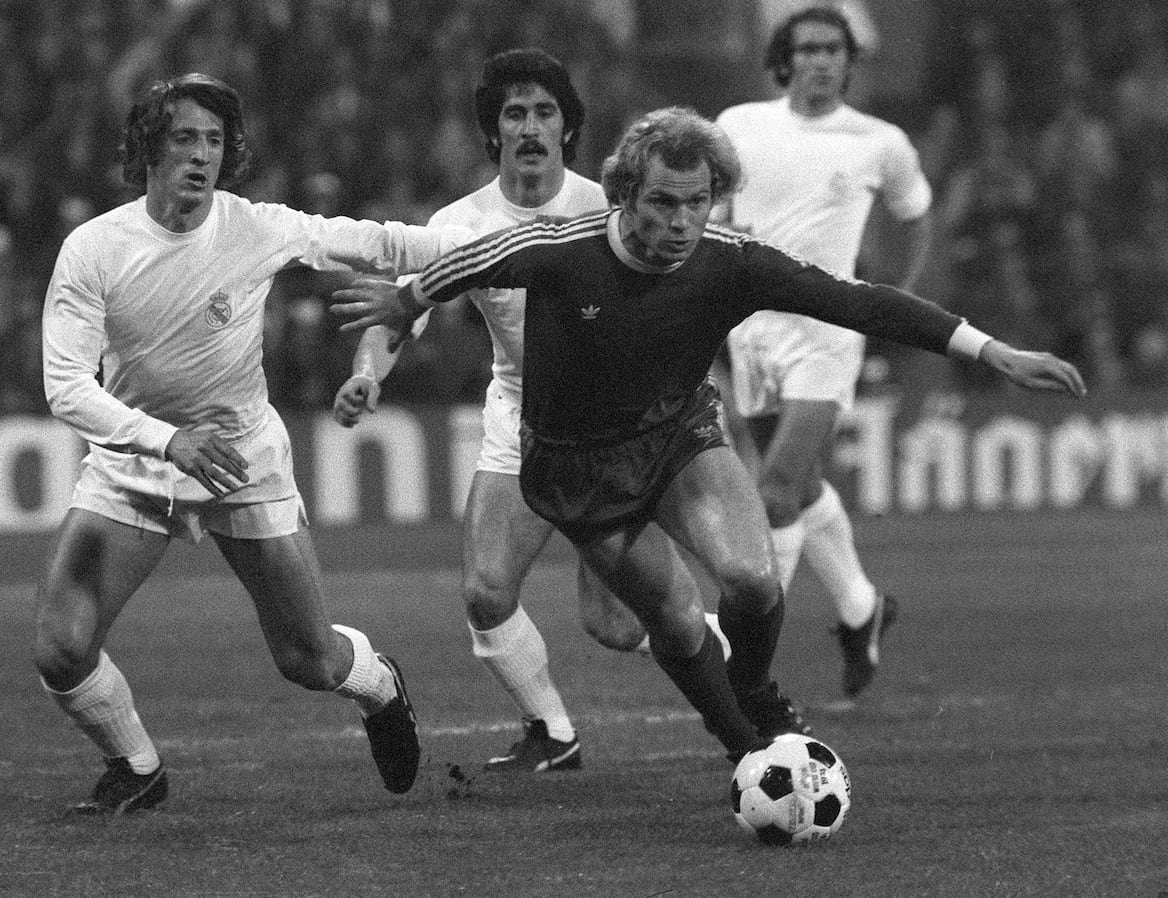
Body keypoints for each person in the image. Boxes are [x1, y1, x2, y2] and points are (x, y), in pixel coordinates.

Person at [329, 106, 1086, 768]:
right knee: (672, 620)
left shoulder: (728, 262)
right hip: (576, 469)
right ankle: (742, 744)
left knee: (754, 580)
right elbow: (476, 257)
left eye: (697, 203)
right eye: (663, 202)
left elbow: (858, 302)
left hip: (681, 437)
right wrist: (407, 300)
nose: (680, 222)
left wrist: (990, 350)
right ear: (625, 195)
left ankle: (752, 689)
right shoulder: (567, 247)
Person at [34, 73, 466, 814]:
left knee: (308, 659)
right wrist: (167, 441)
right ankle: (136, 767)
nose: (202, 154)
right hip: (139, 463)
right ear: (148, 148)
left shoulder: (255, 227)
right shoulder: (95, 248)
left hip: (242, 462)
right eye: (184, 138)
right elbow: (67, 385)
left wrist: (509, 248)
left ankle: (379, 684)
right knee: (61, 648)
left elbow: (385, 243)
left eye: (214, 140)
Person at [334, 48, 720, 774]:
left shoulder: (608, 208)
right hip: (523, 418)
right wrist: (365, 376)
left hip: (620, 426)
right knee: (486, 591)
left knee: (613, 622)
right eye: (515, 113)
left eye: (546, 112)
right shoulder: (460, 222)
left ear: (568, 128)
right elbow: (401, 314)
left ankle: (731, 668)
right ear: (495, 131)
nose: (531, 126)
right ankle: (551, 730)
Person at [711, 5, 934, 701]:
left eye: (834, 49)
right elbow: (712, 215)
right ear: (785, 59)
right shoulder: (739, 125)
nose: (821, 60)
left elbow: (915, 217)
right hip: (753, 330)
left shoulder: (880, 142)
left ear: (848, 61)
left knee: (773, 489)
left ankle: (743, 652)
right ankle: (863, 608)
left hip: (827, 333)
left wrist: (894, 296)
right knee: (799, 485)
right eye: (808, 48)